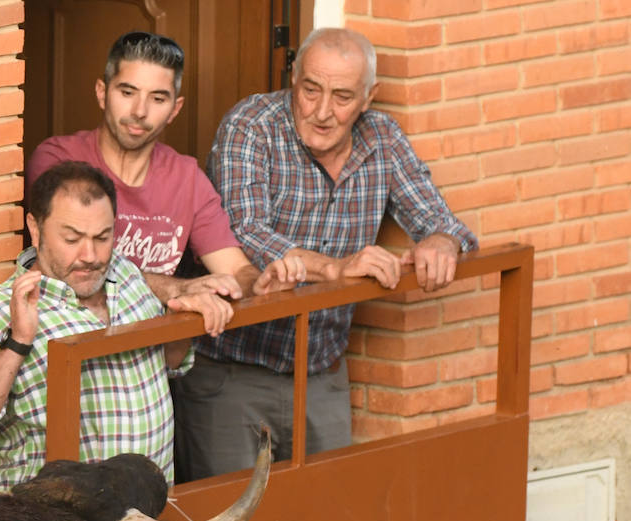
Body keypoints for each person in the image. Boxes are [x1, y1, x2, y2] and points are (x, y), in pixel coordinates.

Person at [177, 26, 479, 481]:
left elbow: (441, 219)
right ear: (293, 78)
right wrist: (335, 269)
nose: (321, 111)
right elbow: (244, 230)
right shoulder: (251, 125)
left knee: (326, 518)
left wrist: (442, 240)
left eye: (341, 96)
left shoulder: (383, 137)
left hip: (321, 375)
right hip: (231, 372)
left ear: (368, 97)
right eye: (310, 89)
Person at [0, 161, 231, 493]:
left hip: (149, 518)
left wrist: (182, 323)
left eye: (103, 237)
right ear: (35, 229)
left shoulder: (129, 277)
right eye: (72, 238)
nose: (90, 255)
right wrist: (19, 341)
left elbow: (166, 366)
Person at [26, 31, 303, 326]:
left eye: (158, 98)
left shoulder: (187, 178)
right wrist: (177, 288)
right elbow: (71, 269)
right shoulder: (58, 160)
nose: (139, 112)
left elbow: (234, 268)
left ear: (175, 109)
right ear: (101, 92)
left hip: (153, 359)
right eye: (127, 92)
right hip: (65, 341)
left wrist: (256, 285)